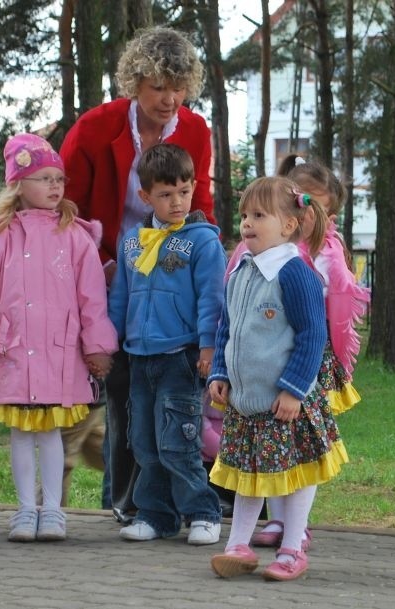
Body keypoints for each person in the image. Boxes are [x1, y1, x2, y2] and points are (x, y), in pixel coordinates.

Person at [59, 26, 214, 525]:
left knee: (170, 401)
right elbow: (65, 209)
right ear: (134, 83)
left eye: (178, 87)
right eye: (157, 88)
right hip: (105, 271)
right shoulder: (94, 128)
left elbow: (201, 205)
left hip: (168, 277)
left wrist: (203, 259)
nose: (169, 99)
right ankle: (123, 505)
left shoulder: (196, 131)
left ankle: (168, 505)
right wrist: (98, 266)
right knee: (123, 398)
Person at [0, 133, 117, 542]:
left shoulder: (75, 235)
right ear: (18, 184)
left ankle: (53, 510)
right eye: (43, 178)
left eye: (59, 180)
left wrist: (98, 346)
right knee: (21, 435)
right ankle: (24, 509)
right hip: (12, 353)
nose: (54, 187)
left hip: (59, 354)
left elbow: (92, 298)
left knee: (50, 434)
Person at [208, 176, 348, 581]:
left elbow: (312, 335)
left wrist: (294, 390)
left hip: (284, 400)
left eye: (259, 215)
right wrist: (220, 370)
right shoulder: (241, 272)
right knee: (248, 471)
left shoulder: (295, 273)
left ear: (288, 225)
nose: (247, 223)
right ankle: (239, 544)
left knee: (298, 470)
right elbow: (226, 328)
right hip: (246, 399)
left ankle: (292, 548)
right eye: (245, 215)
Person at [229, 156, 369, 551]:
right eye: (248, 214)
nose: (312, 212)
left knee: (297, 446)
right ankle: (276, 520)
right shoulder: (249, 255)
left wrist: (319, 369)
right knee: (270, 446)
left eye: (321, 206)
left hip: (306, 361)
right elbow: (232, 311)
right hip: (263, 357)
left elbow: (337, 306)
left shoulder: (323, 252)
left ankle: (296, 527)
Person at [108, 143, 224, 545]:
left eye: (184, 191)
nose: (177, 202)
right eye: (165, 194)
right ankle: (156, 516)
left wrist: (209, 348)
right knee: (144, 442)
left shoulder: (203, 242)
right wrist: (110, 343)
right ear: (145, 196)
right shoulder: (132, 242)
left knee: (179, 440)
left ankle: (203, 512)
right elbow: (120, 297)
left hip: (181, 357)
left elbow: (212, 299)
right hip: (139, 358)